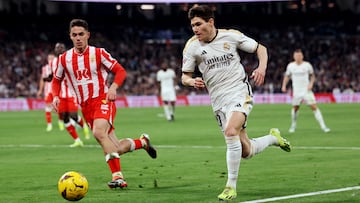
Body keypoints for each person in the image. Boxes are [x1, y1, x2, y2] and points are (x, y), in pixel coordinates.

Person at [181, 5, 291, 201]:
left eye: (198, 24)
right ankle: (274, 138)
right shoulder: (192, 46)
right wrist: (191, 81)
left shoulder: (230, 36)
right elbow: (184, 76)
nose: (195, 29)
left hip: (239, 92)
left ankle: (230, 187)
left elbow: (261, 49)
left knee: (230, 132)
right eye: (192, 26)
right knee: (245, 151)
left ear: (211, 22)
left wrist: (262, 68)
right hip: (218, 101)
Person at [52, 18, 157, 188]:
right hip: (85, 107)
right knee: (115, 148)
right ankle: (142, 142)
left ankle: (118, 177)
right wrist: (56, 96)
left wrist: (113, 88)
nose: (78, 38)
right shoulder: (64, 59)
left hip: (102, 99)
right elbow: (56, 80)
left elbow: (120, 71)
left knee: (99, 133)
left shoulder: (99, 53)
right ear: (70, 37)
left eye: (81, 34)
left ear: (88, 35)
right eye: (74, 35)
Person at [281, 49, 330, 133]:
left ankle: (323, 126)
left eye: (299, 56)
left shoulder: (307, 65)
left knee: (314, 107)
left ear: (302, 56)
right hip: (296, 91)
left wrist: (311, 84)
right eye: (296, 56)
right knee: (295, 108)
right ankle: (293, 125)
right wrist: (284, 85)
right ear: (294, 57)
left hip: (306, 90)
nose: (298, 57)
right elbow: (287, 76)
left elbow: (312, 76)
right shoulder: (290, 66)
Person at [52, 42, 90, 147]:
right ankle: (77, 140)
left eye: (61, 47)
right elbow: (54, 77)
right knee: (64, 117)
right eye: (57, 48)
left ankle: (84, 127)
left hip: (71, 93)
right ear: (55, 50)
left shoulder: (69, 59)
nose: (59, 49)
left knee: (73, 115)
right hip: (60, 95)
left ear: (64, 49)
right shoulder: (53, 62)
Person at [37, 53, 64, 132]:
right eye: (49, 58)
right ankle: (49, 125)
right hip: (48, 91)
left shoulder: (59, 67)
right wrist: (40, 90)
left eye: (52, 58)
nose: (50, 60)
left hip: (57, 91)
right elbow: (42, 79)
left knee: (59, 107)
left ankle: (60, 122)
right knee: (48, 107)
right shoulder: (45, 68)